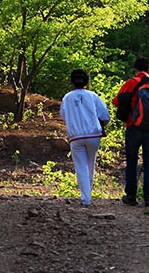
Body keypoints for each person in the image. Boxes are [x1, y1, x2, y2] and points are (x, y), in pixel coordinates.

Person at [113, 56, 149, 208]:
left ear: (135, 69)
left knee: (131, 162)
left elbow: (117, 102)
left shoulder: (131, 83)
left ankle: (131, 196)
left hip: (133, 127)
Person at [60, 69, 110, 207]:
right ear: (87, 81)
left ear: (72, 81)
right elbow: (105, 116)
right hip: (93, 135)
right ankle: (88, 195)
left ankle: (85, 198)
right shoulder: (92, 96)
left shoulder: (67, 98)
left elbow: (63, 116)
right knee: (90, 164)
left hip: (75, 136)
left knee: (80, 166)